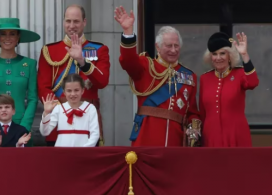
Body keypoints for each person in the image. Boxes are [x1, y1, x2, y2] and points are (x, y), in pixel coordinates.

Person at [114, 6, 201, 147]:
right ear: (158, 47)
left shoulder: (189, 76)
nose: (173, 50)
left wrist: (194, 129)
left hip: (176, 141)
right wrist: (128, 32)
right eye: (168, 46)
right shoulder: (145, 66)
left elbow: (192, 112)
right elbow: (127, 60)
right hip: (147, 138)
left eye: (176, 46)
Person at [37, 4, 110, 146]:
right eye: (68, 21)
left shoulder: (99, 49)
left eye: (76, 21)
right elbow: (43, 87)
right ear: (64, 22)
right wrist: (63, 110)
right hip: (58, 120)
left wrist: (83, 62)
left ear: (84, 22)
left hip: (88, 119)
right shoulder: (49, 50)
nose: (72, 25)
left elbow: (102, 81)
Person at [0, 18, 39, 146]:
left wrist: (24, 126)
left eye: (12, 34)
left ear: (18, 37)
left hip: (21, 125)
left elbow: (33, 98)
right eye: (3, 34)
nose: (7, 38)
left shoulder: (29, 64)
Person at [199, 32, 259, 147]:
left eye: (222, 53)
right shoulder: (205, 78)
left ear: (230, 56)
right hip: (211, 136)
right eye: (214, 54)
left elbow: (253, 82)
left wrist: (244, 54)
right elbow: (202, 112)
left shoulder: (239, 73)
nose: (218, 58)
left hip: (236, 134)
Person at [40, 74, 99, 147]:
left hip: (83, 152)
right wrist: (46, 113)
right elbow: (45, 132)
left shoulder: (90, 108)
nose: (73, 94)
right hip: (62, 152)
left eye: (76, 90)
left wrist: (85, 150)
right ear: (64, 92)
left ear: (82, 91)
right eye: (69, 91)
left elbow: (95, 134)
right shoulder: (59, 108)